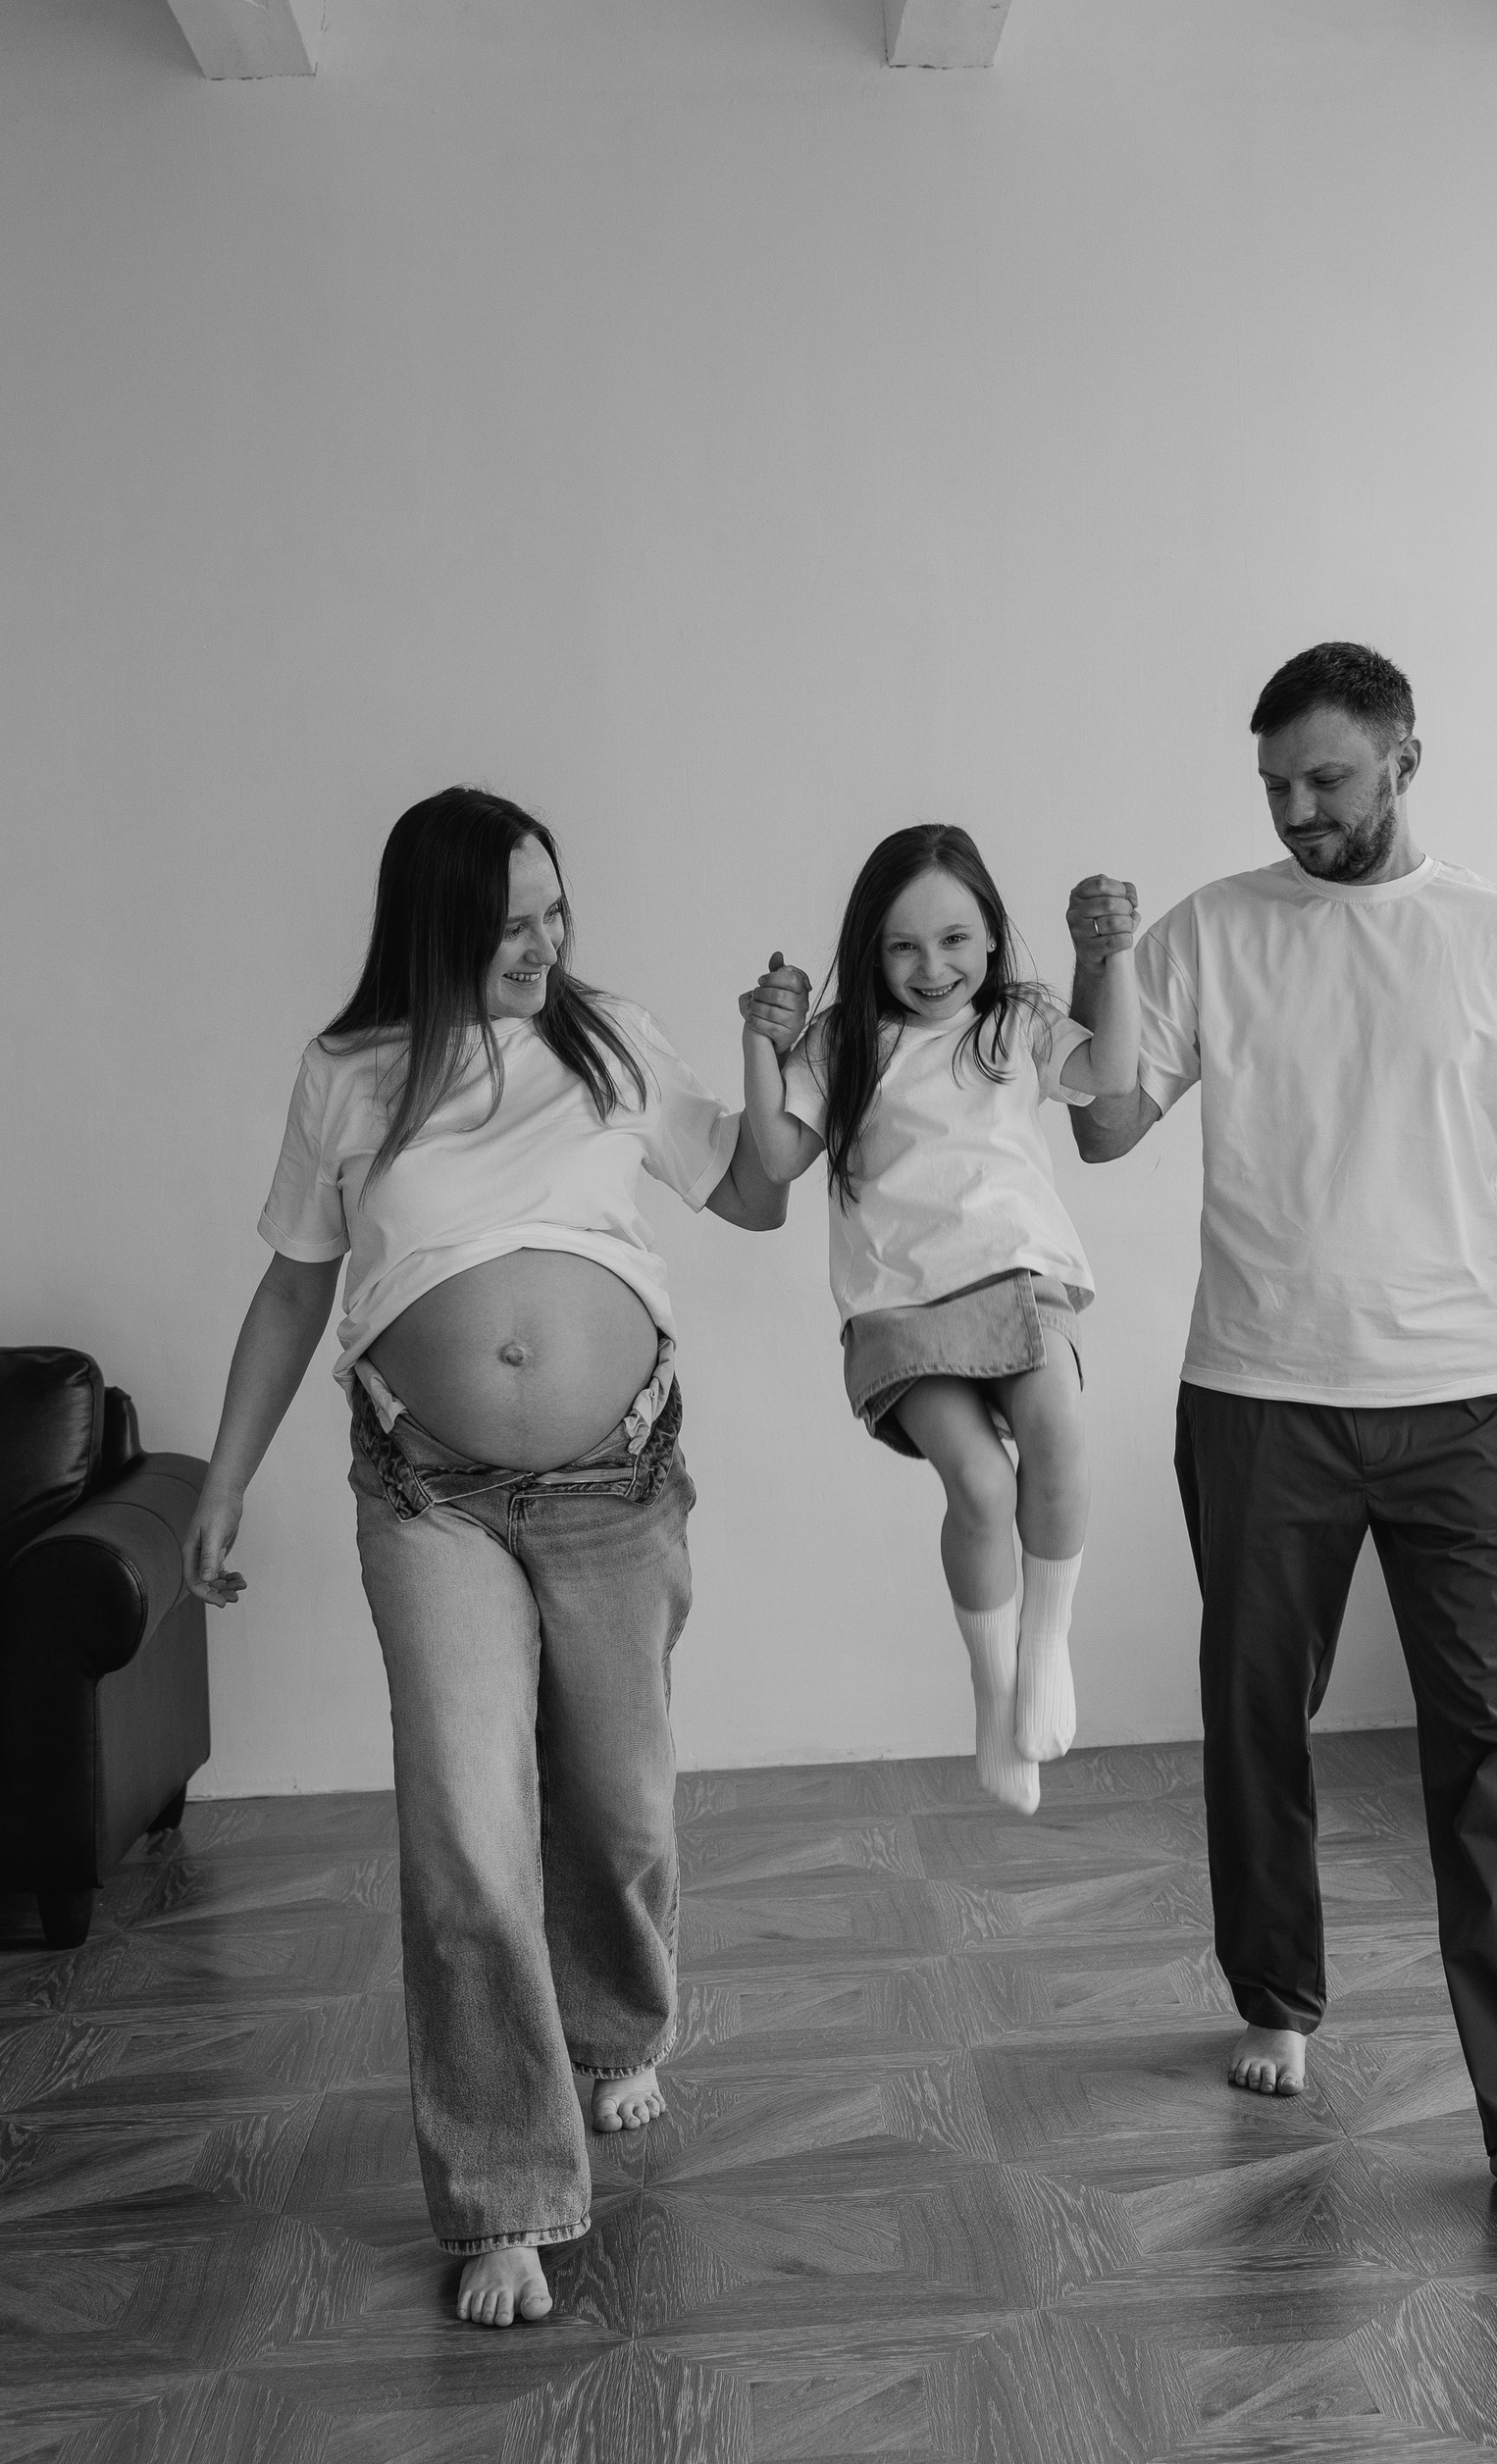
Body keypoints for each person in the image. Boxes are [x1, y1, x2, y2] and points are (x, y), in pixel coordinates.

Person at [181, 788, 791, 2328]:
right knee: (467, 1829)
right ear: (433, 921)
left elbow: (755, 1193)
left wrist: (768, 1053)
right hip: (430, 1494)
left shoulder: (610, 1041)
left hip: (615, 1479)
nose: (545, 944)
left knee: (620, 1806)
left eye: (556, 912)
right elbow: (294, 1288)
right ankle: (505, 2194)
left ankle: (614, 2027)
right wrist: (224, 1478)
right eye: (512, 923)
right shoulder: (349, 1074)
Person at [1066, 642, 1497, 2201]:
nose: (1297, 811)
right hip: (1258, 1395)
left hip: (1463, 1404)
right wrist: (1096, 964)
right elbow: (1106, 1127)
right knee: (1258, 1714)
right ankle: (1276, 1994)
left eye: (1325, 779)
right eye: (1275, 786)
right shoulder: (1215, 930)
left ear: (1404, 759)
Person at [740, 824, 1139, 1815]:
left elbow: (1112, 1076)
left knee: (1057, 1435)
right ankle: (995, 1689)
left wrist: (1113, 956)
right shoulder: (844, 1040)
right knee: (980, 1483)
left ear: (993, 936)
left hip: (1020, 1276)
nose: (933, 968)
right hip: (899, 1306)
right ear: (871, 951)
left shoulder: (1018, 1021)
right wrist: (761, 1044)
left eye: (956, 939)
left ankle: (1045, 1647)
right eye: (904, 947)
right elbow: (778, 1156)